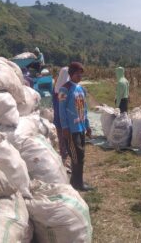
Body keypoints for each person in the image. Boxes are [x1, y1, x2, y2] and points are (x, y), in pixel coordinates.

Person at [59, 62, 93, 191]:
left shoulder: (81, 89)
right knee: (76, 157)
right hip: (71, 130)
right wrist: (65, 127)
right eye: (77, 73)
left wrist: (87, 125)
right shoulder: (64, 89)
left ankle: (77, 182)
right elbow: (61, 110)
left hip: (80, 128)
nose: (80, 76)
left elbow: (84, 109)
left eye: (81, 73)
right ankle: (77, 184)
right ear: (71, 74)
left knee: (81, 156)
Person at [52, 67, 70, 164]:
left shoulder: (56, 88)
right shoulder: (64, 89)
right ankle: (64, 158)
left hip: (57, 118)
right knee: (66, 139)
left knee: (61, 139)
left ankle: (63, 155)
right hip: (64, 119)